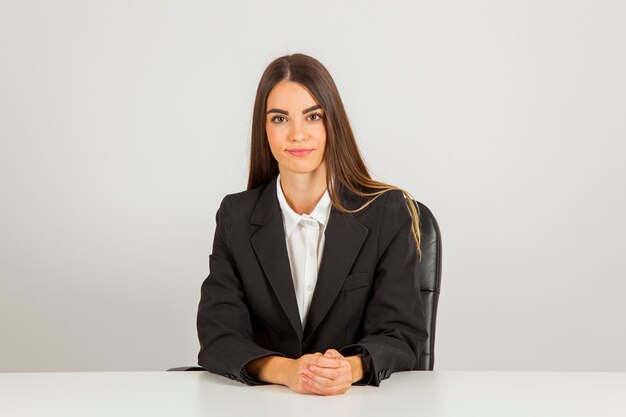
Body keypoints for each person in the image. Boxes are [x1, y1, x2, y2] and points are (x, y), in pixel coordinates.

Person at [197, 53, 428, 396]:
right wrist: (290, 371)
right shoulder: (236, 216)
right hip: (263, 404)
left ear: (332, 123)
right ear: (264, 128)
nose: (297, 134)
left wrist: (345, 369)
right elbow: (219, 336)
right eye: (279, 119)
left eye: (313, 116)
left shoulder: (387, 212)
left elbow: (401, 334)